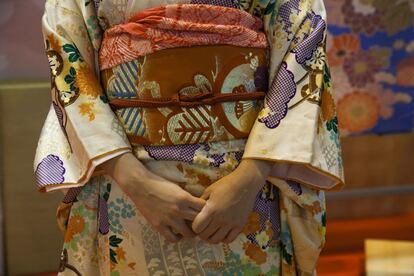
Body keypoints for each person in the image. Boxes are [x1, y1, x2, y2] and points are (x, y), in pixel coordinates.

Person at [34, 0, 344, 275]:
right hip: (129, 185)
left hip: (247, 189)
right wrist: (137, 183)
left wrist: (250, 177)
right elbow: (71, 67)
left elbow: (303, 50)